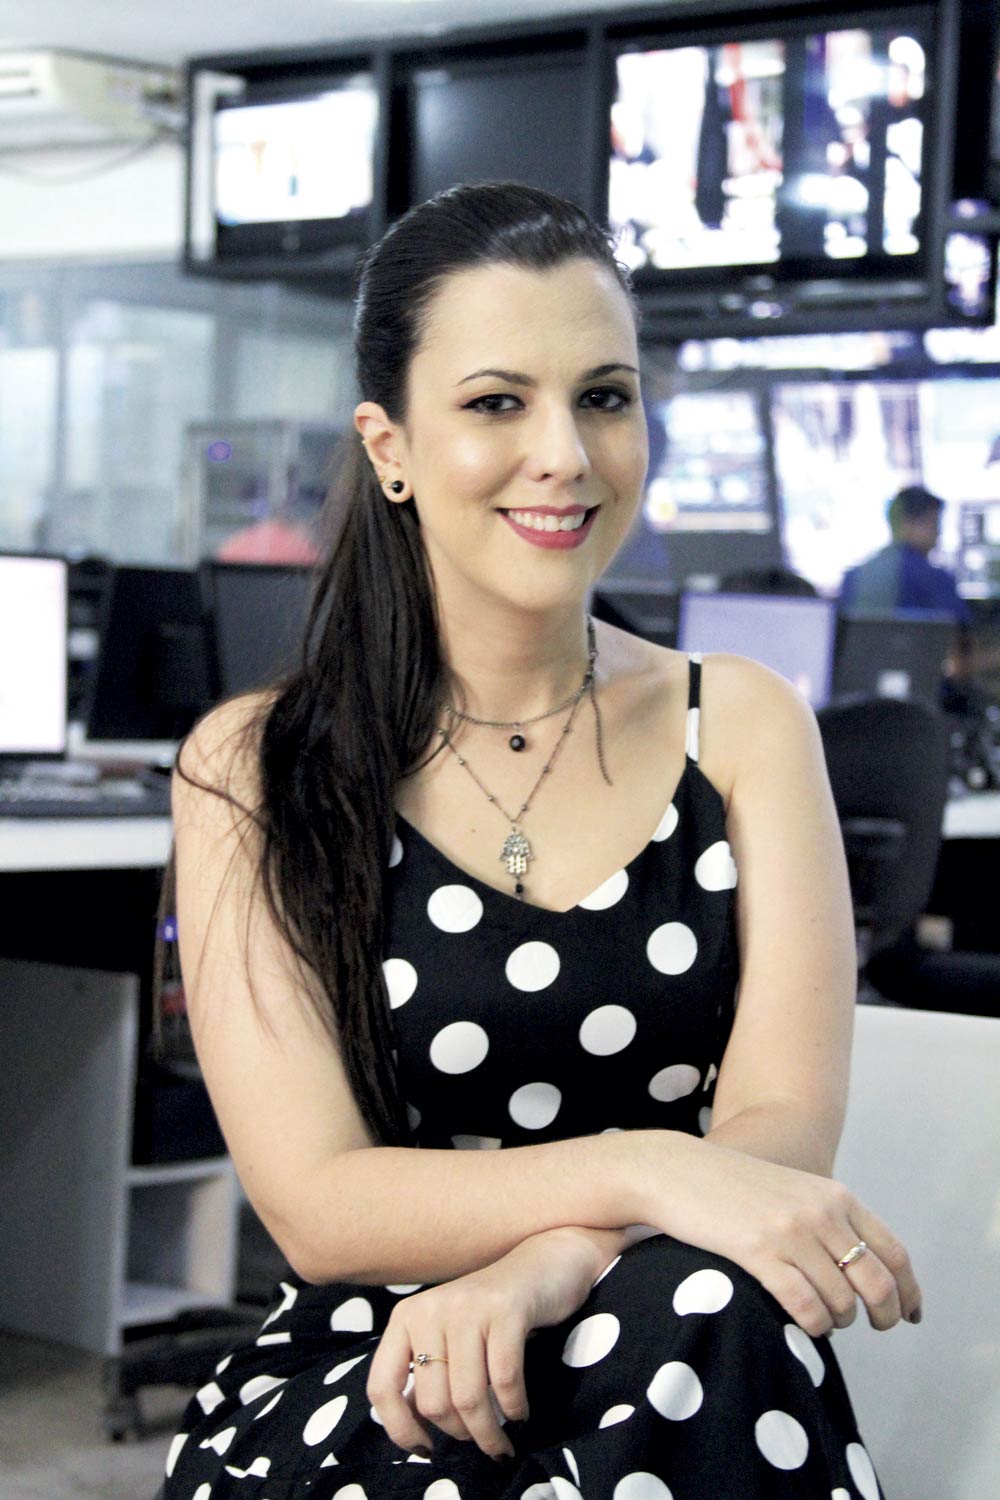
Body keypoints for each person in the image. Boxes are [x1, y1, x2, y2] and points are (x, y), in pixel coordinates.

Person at [158, 181, 922, 1500]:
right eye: (497, 403)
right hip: (379, 1366)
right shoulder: (254, 765)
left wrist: (554, 1261)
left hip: (679, 1329)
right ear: (390, 446)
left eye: (604, 397)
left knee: (709, 1312)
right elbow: (320, 1205)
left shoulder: (740, 724)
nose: (565, 452)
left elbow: (783, 1128)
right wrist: (648, 1168)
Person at [839, 484, 972, 624]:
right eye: (933, 523)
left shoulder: (853, 577)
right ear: (907, 523)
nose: (938, 533)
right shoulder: (935, 580)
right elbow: (962, 629)